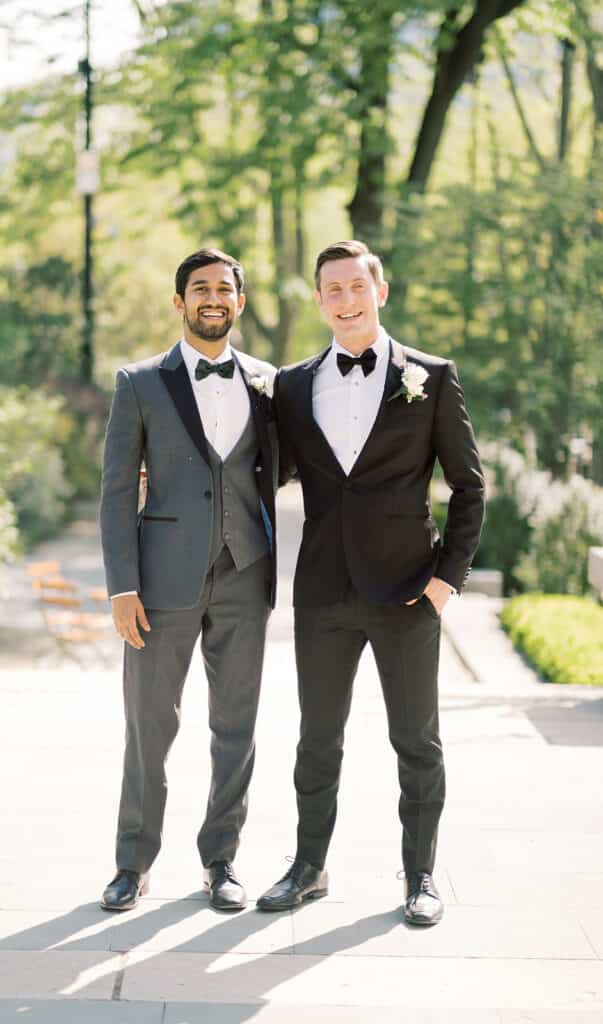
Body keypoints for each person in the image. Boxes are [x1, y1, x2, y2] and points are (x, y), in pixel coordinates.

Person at [257, 240, 485, 925]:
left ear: (378, 292)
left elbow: (468, 486)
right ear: (320, 300)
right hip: (322, 590)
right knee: (316, 737)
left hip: (408, 588)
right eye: (332, 289)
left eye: (357, 285)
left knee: (416, 741)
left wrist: (447, 579)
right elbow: (269, 471)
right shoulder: (292, 386)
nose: (346, 299)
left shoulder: (431, 376)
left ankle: (420, 878)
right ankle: (307, 867)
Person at [99, 248, 279, 913]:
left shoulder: (269, 382)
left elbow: (282, 469)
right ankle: (131, 863)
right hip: (158, 583)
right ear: (179, 302)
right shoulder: (139, 382)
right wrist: (122, 586)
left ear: (239, 300)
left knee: (236, 728)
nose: (212, 298)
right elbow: (117, 490)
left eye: (223, 289)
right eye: (199, 288)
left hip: (246, 574)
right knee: (149, 725)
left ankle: (222, 862)